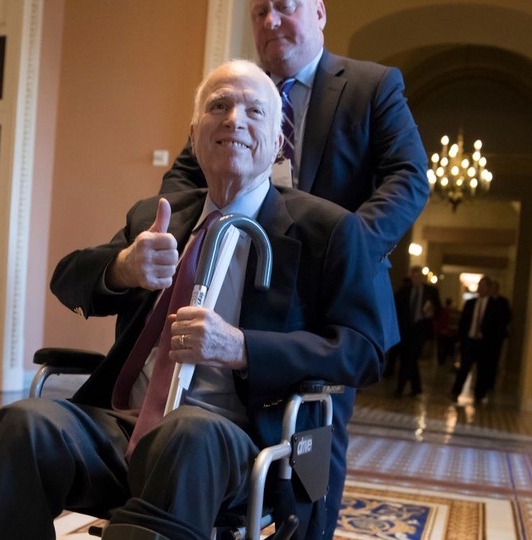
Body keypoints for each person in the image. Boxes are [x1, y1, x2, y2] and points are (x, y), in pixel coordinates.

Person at [0, 60, 384, 540]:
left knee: (187, 433)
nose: (233, 120)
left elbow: (365, 349)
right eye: (218, 106)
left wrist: (243, 347)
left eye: (253, 111)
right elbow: (66, 278)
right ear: (194, 133)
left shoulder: (329, 230)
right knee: (23, 422)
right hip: (124, 426)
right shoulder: (158, 216)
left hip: (235, 440)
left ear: (280, 139)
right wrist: (123, 268)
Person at [159, 1, 429, 532]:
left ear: (321, 13)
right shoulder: (237, 100)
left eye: (285, 7)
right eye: (259, 12)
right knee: (212, 434)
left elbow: (407, 177)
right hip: (240, 285)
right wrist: (170, 234)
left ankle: (307, 525)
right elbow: (181, 178)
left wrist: (342, 250)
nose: (270, 21)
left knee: (310, 453)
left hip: (321, 302)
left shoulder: (372, 86)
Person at [392, 266, 441, 397]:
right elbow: (396, 309)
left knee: (411, 358)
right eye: (414, 277)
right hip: (405, 331)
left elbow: (438, 309)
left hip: (421, 331)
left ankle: (400, 389)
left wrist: (431, 313)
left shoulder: (431, 292)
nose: (416, 279)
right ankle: (416, 388)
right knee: (407, 359)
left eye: (419, 277)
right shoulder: (404, 291)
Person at [451, 276, 499, 404]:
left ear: (488, 288)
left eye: (483, 286)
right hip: (470, 341)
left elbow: (496, 326)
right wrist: (461, 339)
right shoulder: (470, 303)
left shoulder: (495, 305)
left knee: (482, 370)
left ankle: (479, 395)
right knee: (464, 368)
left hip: (485, 343)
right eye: (479, 286)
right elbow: (463, 323)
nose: (480, 289)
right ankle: (456, 392)